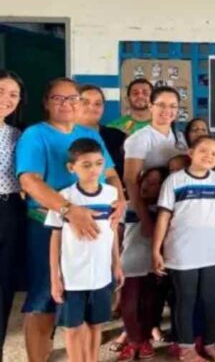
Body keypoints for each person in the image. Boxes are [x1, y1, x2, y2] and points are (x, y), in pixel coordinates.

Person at [16, 77, 125, 362]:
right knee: (46, 300)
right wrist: (69, 210)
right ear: (46, 103)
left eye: (72, 98)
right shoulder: (35, 135)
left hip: (95, 230)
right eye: (58, 98)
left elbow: (111, 175)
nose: (66, 104)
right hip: (50, 227)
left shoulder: (87, 133)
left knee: (88, 301)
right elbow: (29, 180)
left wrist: (122, 200)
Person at [152, 135, 215, 362]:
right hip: (181, 252)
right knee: (185, 299)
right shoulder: (174, 181)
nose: (209, 156)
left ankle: (210, 342)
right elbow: (163, 217)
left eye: (214, 154)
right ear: (191, 153)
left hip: (211, 252)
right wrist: (156, 250)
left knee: (212, 299)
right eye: (203, 151)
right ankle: (186, 348)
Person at [47, 138, 123, 362]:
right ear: (72, 168)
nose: (94, 170)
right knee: (73, 327)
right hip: (72, 277)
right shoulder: (65, 197)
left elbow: (113, 233)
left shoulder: (111, 195)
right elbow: (55, 238)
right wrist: (55, 278)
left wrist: (117, 264)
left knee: (95, 325)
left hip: (100, 275)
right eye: (86, 165)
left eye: (99, 164)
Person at [118, 166, 168, 361]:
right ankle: (132, 341)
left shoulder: (163, 209)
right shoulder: (128, 206)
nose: (149, 186)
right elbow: (118, 235)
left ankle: (144, 340)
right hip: (129, 264)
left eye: (155, 183)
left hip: (153, 265)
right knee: (128, 305)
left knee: (150, 305)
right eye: (146, 181)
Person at [124, 86, 186, 241]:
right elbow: (130, 181)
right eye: (161, 105)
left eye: (173, 106)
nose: (167, 110)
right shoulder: (140, 138)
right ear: (151, 106)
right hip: (146, 211)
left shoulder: (179, 137)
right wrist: (145, 220)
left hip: (172, 209)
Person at [0, 70, 23, 361]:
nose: (6, 99)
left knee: (4, 286)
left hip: (9, 211)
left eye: (13, 94)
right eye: (1, 91)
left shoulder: (17, 135)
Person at [77, 85, 127, 179]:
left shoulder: (117, 136)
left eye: (98, 104)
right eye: (85, 102)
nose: (91, 107)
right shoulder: (64, 134)